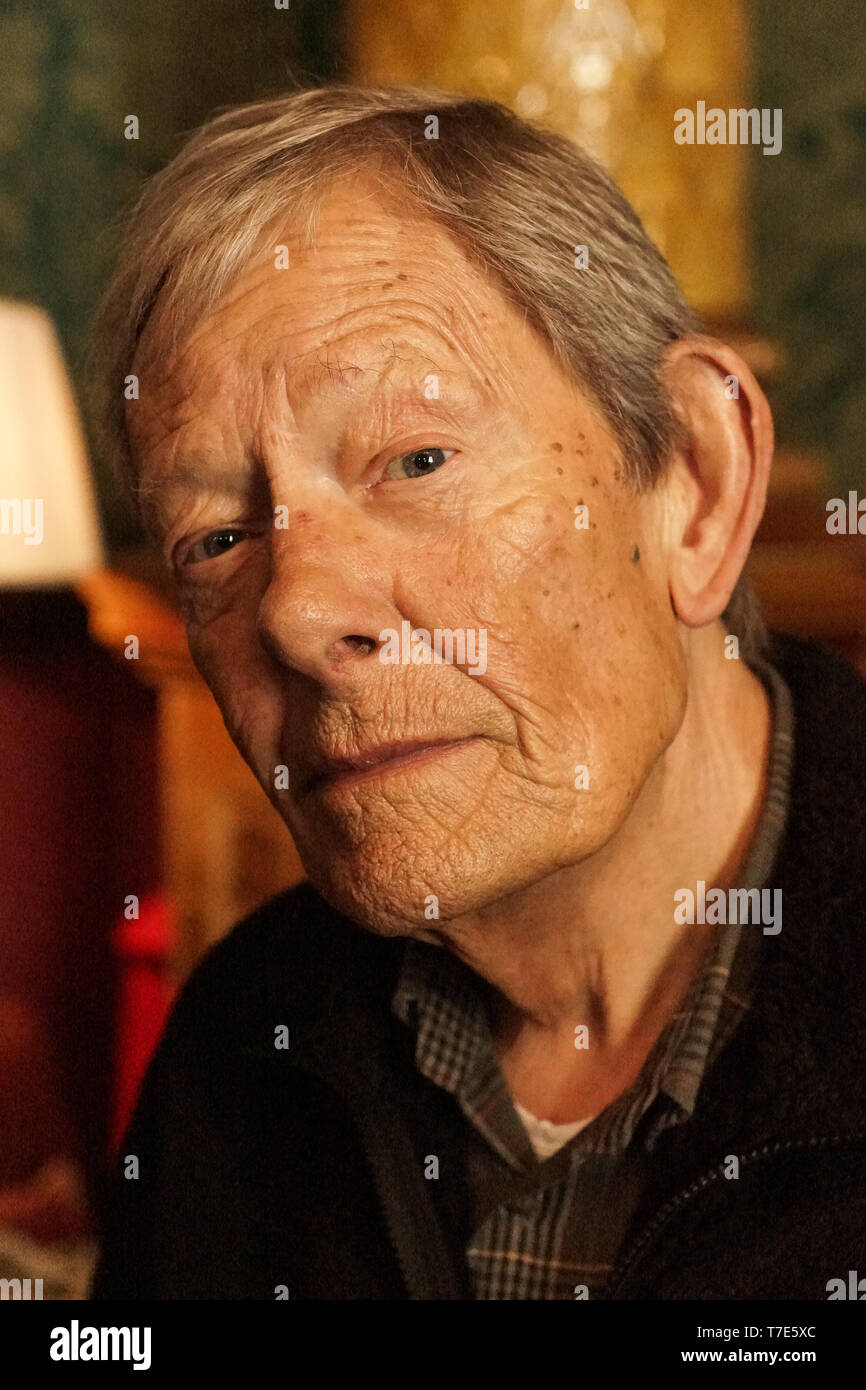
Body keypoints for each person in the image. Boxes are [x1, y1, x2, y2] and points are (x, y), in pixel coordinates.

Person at [89, 86, 866, 1300]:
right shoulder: (243, 1049)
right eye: (214, 541)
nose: (295, 612)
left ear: (697, 484)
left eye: (415, 460)